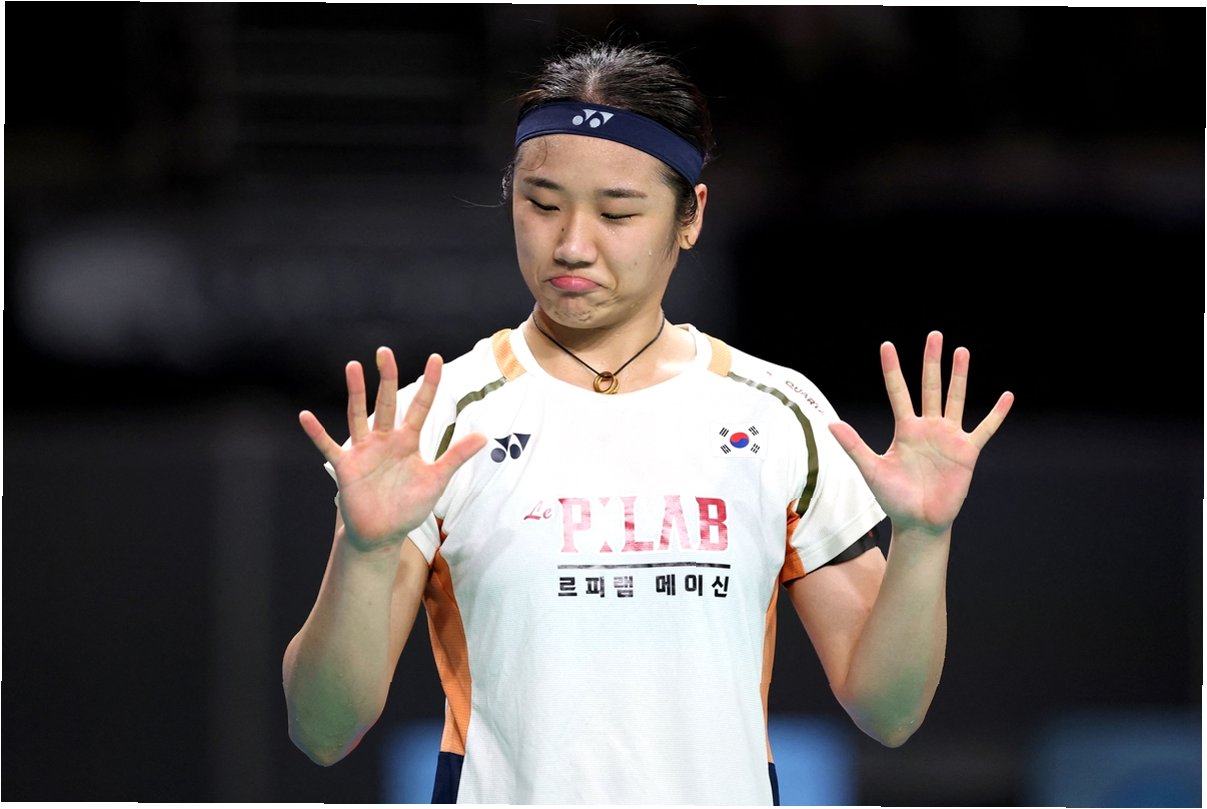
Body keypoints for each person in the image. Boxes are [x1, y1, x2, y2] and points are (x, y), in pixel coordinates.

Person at [282, 41, 1014, 805]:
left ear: (689, 216)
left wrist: (923, 537)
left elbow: (888, 711)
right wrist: (365, 550)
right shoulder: (434, 422)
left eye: (617, 212)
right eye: (541, 203)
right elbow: (324, 731)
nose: (572, 244)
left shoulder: (775, 411)